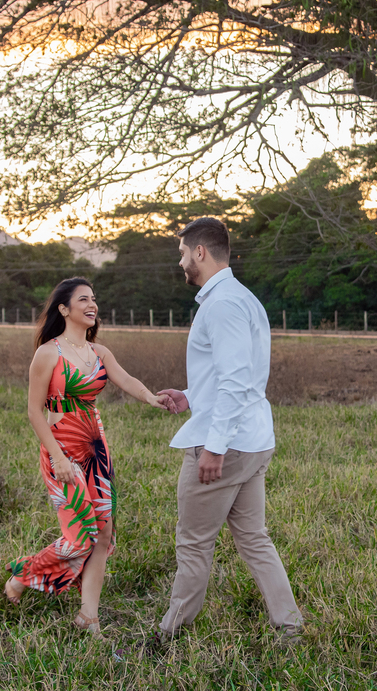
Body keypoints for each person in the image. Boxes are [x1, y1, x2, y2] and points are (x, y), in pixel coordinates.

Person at [138, 217, 304, 652]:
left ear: (200, 252)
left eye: (181, 253)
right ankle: (289, 627)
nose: (180, 262)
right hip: (251, 439)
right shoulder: (240, 298)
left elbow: (234, 382)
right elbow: (235, 376)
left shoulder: (223, 304)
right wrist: (190, 396)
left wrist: (213, 447)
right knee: (254, 538)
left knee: (192, 543)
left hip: (227, 445)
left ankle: (168, 636)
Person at [5, 277, 169, 638]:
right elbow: (34, 411)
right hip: (61, 449)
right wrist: (58, 457)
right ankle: (24, 575)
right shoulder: (48, 353)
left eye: (94, 299)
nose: (92, 305)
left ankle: (88, 616)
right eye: (83, 300)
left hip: (96, 449)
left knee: (105, 535)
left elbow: (126, 380)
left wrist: (153, 398)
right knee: (81, 535)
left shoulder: (99, 353)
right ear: (64, 309)